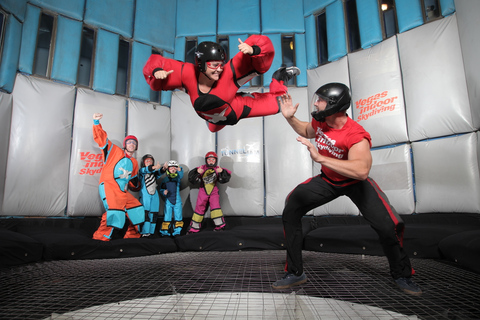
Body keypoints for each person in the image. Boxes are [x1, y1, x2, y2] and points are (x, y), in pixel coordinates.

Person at [272, 83, 422, 296]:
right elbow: (306, 129)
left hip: (355, 183)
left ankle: (402, 274)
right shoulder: (322, 120)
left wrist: (322, 158)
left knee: (390, 225)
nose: (315, 102)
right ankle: (296, 272)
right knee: (292, 206)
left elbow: (361, 171)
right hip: (329, 180)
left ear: (334, 105)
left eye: (320, 99)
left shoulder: (356, 135)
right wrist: (289, 117)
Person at [143, 35, 300, 132]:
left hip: (235, 108)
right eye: (213, 65)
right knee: (212, 127)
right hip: (213, 118)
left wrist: (255, 50)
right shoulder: (187, 73)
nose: (219, 69)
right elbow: (157, 63)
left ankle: (279, 78)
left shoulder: (228, 74)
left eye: (221, 64)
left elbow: (261, 51)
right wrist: (157, 71)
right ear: (201, 64)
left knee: (280, 103)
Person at [91, 113, 145, 241]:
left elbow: (133, 183)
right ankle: (100, 239)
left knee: (136, 209)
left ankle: (132, 237)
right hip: (109, 186)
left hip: (122, 191)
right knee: (114, 211)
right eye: (129, 142)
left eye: (134, 143)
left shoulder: (134, 162)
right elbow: (102, 139)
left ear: (136, 147)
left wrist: (139, 184)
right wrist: (96, 123)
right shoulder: (113, 151)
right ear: (125, 144)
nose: (131, 144)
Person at [187, 151, 231, 233]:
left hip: (214, 191)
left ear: (216, 160)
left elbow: (225, 179)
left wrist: (221, 172)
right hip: (202, 191)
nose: (211, 161)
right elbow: (191, 179)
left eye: (213, 160)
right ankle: (194, 228)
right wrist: (197, 173)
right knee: (199, 208)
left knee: (216, 208)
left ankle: (220, 226)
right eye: (209, 159)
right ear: (206, 160)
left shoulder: (218, 169)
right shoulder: (201, 168)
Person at [138, 154, 166, 237]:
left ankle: (151, 231)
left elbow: (158, 173)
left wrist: (163, 168)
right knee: (145, 213)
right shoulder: (142, 171)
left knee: (153, 213)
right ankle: (144, 231)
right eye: (147, 161)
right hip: (145, 195)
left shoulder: (154, 173)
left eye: (150, 161)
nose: (149, 162)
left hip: (154, 194)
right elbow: (146, 170)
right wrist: (154, 167)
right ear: (144, 162)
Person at [159, 160, 184, 236]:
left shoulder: (178, 178)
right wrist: (163, 192)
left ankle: (177, 232)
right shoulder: (165, 180)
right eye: (171, 168)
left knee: (178, 217)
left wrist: (180, 170)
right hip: (168, 201)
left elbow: (180, 175)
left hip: (177, 201)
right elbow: (161, 189)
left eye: (175, 168)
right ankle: (165, 232)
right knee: (167, 217)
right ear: (168, 169)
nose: (173, 169)